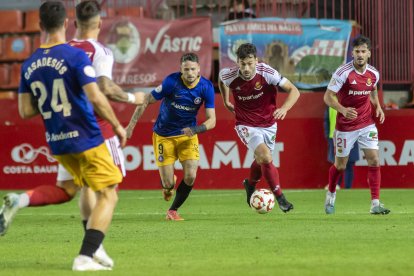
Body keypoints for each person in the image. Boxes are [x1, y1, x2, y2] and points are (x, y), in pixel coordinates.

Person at [0, 0, 145, 269]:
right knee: (109, 194)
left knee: (67, 190)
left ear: (40, 25)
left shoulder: (29, 64)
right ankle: (85, 257)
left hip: (57, 140)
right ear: (66, 23)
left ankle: (19, 200)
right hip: (87, 137)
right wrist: (117, 125)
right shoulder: (75, 56)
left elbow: (25, 111)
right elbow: (98, 97)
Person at [126, 53, 216, 221]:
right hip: (164, 136)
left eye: (193, 69)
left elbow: (212, 121)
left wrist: (196, 129)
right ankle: (168, 187)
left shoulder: (206, 87)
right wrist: (130, 127)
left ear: (199, 70)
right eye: (186, 69)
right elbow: (146, 100)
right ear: (180, 70)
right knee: (168, 184)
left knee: (190, 175)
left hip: (188, 135)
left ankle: (173, 210)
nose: (189, 73)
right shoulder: (171, 82)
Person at [218, 43, 300, 213]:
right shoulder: (230, 75)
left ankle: (250, 184)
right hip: (246, 124)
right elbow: (221, 80)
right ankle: (281, 199)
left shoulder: (267, 73)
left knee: (262, 159)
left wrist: (284, 108)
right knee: (265, 156)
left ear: (256, 60)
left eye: (250, 63)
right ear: (237, 62)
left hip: (269, 124)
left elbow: (294, 91)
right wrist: (226, 100)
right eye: (242, 64)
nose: (246, 68)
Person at [323, 35, 390, 215]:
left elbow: (373, 91)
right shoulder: (342, 72)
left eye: (363, 51)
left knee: (374, 159)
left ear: (369, 53)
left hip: (366, 123)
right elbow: (327, 97)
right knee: (341, 166)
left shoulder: (374, 73)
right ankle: (330, 194)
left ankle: (375, 203)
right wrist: (343, 110)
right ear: (352, 53)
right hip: (345, 126)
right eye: (357, 51)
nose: (360, 54)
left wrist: (378, 107)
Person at [324, 106, 359, 189]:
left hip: (350, 136)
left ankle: (347, 188)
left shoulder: (352, 101)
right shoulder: (331, 104)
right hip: (335, 138)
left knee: (349, 163)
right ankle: (336, 185)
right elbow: (327, 121)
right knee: (337, 164)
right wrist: (328, 137)